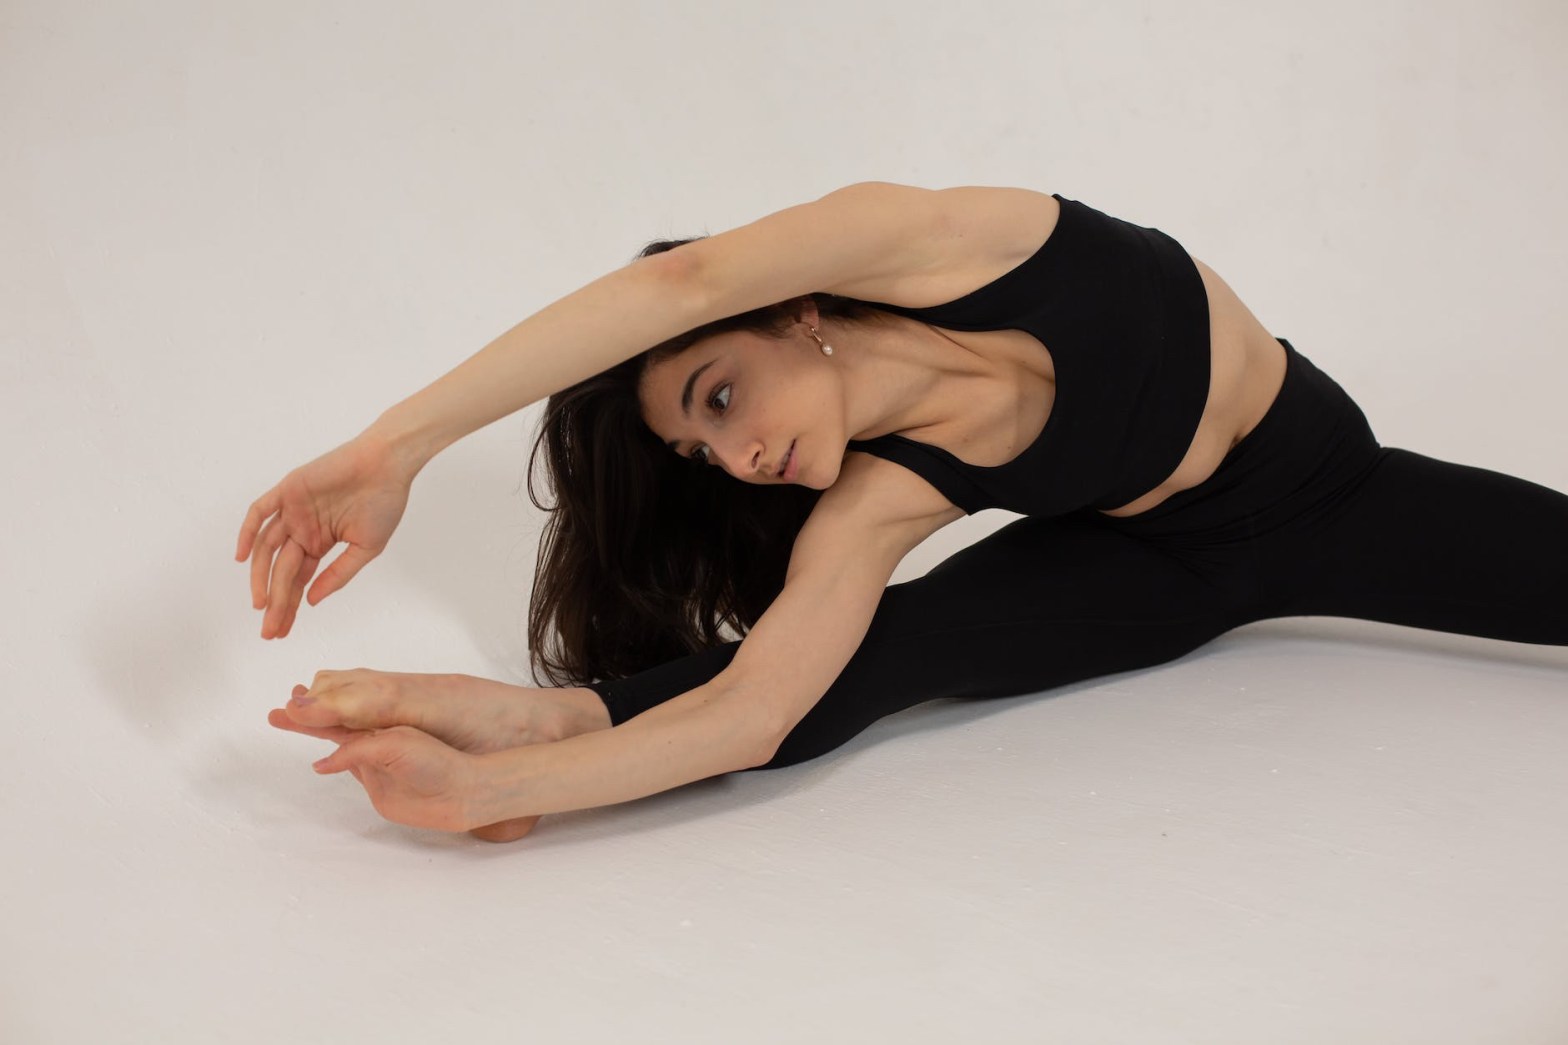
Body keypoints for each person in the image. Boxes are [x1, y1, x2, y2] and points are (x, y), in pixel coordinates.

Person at [238, 182, 1568, 843]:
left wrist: (393, 448)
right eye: (702, 451)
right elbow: (755, 713)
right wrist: (502, 786)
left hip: (1332, 502)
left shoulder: (961, 247)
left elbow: (678, 283)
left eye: (719, 394)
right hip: (1160, 574)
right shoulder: (879, 496)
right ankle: (550, 715)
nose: (736, 454)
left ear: (794, 311)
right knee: (876, 654)